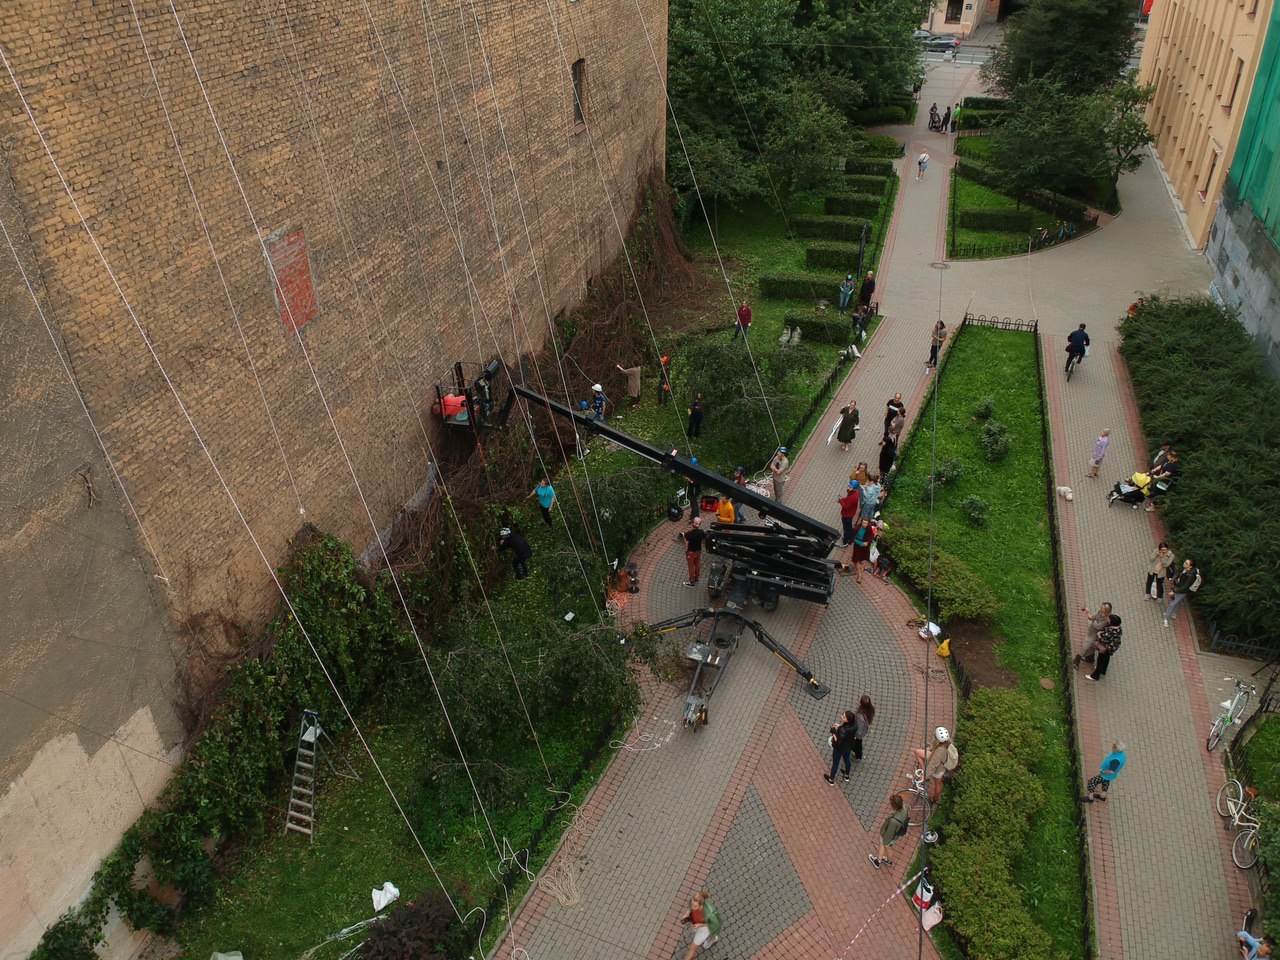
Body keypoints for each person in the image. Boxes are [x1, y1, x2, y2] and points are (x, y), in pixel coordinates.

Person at [913, 726, 959, 803]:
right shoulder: (946, 742)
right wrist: (930, 750)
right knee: (918, 752)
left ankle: (935, 799)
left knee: (938, 782)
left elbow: (933, 765)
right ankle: (925, 774)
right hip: (939, 761)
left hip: (939, 769)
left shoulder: (939, 751)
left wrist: (925, 776)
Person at [869, 793, 910, 868]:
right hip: (897, 833)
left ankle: (878, 861)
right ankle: (889, 861)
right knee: (889, 847)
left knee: (884, 845)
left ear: (894, 806)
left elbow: (889, 834)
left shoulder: (893, 821)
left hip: (890, 835)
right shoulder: (904, 808)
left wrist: (885, 841)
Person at [680, 890, 722, 958]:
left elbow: (714, 924)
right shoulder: (693, 902)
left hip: (705, 928)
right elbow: (690, 908)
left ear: (701, 905)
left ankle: (712, 937)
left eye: (695, 906)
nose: (693, 907)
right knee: (710, 935)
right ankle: (713, 939)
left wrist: (701, 925)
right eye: (692, 905)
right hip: (696, 923)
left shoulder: (709, 913)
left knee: (693, 947)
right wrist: (687, 914)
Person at [824, 710, 859, 784]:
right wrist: (840, 727)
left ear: (847, 720)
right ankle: (846, 776)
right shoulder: (855, 725)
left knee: (835, 764)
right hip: (848, 747)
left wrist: (833, 732)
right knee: (847, 760)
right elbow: (847, 732)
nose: (841, 717)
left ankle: (831, 780)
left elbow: (837, 742)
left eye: (844, 717)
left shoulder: (842, 731)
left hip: (839, 749)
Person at [1084, 615, 1122, 681]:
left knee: (1100, 660)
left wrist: (1100, 634)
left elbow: (1103, 638)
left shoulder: (1111, 631)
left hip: (1106, 648)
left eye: (1109, 619)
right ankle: (1103, 670)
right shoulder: (1118, 628)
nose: (1108, 620)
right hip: (1111, 647)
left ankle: (1095, 675)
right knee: (1106, 659)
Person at [1164, 558, 1200, 627]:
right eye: (1185, 562)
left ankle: (1166, 618)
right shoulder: (1186, 570)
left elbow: (1185, 587)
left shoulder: (1190, 576)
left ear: (1190, 567)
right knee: (1178, 601)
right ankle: (1174, 614)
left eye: (1186, 563)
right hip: (1180, 588)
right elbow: (1181, 577)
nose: (1184, 563)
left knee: (1172, 604)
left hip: (1182, 591)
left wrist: (1174, 591)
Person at [849, 517, 877, 583]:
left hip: (865, 547)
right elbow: (853, 538)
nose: (864, 524)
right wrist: (861, 543)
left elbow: (870, 536)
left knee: (861, 559)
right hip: (858, 546)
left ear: (868, 523)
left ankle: (859, 567)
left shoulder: (869, 528)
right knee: (857, 560)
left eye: (866, 523)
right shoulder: (857, 528)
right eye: (863, 523)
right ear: (861, 522)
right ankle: (859, 575)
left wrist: (868, 542)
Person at [681, 517, 705, 587]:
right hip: (698, 551)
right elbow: (703, 539)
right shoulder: (701, 532)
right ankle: (696, 577)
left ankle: (692, 582)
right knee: (697, 564)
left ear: (692, 524)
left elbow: (686, 543)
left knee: (691, 567)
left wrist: (686, 550)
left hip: (691, 552)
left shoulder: (689, 534)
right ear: (699, 524)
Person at [853, 695, 875, 760]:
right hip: (864, 729)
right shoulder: (870, 709)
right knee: (858, 742)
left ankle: (858, 755)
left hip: (859, 733)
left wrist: (855, 734)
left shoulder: (860, 716)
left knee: (858, 743)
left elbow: (859, 729)